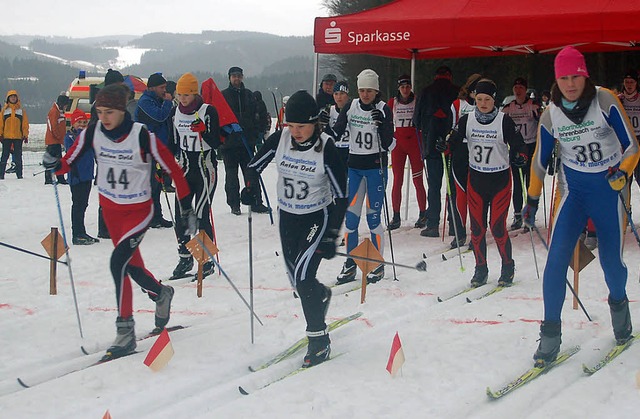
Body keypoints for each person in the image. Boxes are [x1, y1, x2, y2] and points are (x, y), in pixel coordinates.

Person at [43, 84, 196, 361]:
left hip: (139, 211)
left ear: (122, 110)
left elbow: (173, 168)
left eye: (109, 112)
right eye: (99, 112)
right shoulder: (93, 132)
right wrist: (54, 164)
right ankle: (161, 292)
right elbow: (70, 160)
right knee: (131, 265)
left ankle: (124, 330)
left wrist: (186, 209)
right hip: (111, 211)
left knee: (118, 263)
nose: (104, 118)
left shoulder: (141, 136)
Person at [522, 46, 640, 365]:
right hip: (574, 193)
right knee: (557, 259)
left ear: (584, 75)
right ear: (556, 80)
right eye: (563, 78)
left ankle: (621, 318)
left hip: (609, 191)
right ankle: (549, 337)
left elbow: (632, 146)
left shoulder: (605, 100)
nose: (570, 84)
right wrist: (532, 199)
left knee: (611, 263)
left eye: (575, 76)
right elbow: (538, 162)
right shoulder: (551, 114)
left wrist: (623, 173)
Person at [243, 90, 347, 368]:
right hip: (288, 217)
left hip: (317, 218)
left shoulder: (328, 148)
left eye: (302, 126)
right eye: (291, 125)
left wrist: (331, 235)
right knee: (299, 283)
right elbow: (254, 165)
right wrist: (250, 187)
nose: (296, 131)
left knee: (302, 277)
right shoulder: (281, 139)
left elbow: (342, 196)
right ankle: (321, 295)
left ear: (315, 123)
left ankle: (319, 339)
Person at [441, 79, 526, 287]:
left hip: (500, 181)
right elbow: (451, 141)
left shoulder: (504, 120)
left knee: (497, 227)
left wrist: (520, 156)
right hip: (477, 180)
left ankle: (507, 267)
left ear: (494, 99)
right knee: (477, 230)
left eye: (487, 99)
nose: (483, 103)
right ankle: (481, 269)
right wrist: (443, 145)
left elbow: (519, 144)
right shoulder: (467, 120)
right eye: (479, 99)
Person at [328, 69, 395, 284]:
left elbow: (389, 143)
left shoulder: (384, 109)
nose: (365, 95)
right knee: (351, 219)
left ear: (376, 91)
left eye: (370, 91)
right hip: (355, 168)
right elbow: (337, 133)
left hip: (376, 168)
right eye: (362, 90)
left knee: (373, 218)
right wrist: (323, 125)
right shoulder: (351, 105)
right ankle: (350, 263)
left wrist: (382, 124)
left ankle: (376, 263)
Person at [168, 73, 221, 280]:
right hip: (185, 170)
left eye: (187, 95)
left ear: (195, 93)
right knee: (181, 215)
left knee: (200, 215)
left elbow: (216, 143)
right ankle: (184, 257)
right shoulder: (174, 113)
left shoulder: (207, 111)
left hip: (205, 169)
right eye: (180, 95)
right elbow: (172, 144)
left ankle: (205, 260)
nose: (183, 99)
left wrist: (204, 132)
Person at [414, 65, 459, 237]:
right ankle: (454, 223)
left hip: (431, 145)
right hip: (451, 145)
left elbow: (416, 120)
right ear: (450, 76)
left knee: (434, 186)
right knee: (452, 186)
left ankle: (433, 224)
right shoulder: (456, 91)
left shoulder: (425, 92)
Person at [221, 66, 269, 215]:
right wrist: (226, 131)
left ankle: (256, 201)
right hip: (229, 144)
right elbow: (219, 119)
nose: (236, 79)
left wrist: (256, 134)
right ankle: (234, 204)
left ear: (242, 77)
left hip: (246, 142)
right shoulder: (224, 95)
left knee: (251, 173)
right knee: (231, 177)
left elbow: (258, 115)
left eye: (239, 76)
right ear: (229, 78)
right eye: (233, 76)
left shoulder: (249, 95)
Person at [386, 74, 427, 230]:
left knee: (418, 180)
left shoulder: (417, 100)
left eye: (407, 86)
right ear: (398, 88)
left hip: (415, 143)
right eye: (402, 87)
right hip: (398, 144)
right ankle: (396, 216)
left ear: (411, 87)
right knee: (397, 181)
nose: (405, 89)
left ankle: (423, 213)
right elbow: (387, 122)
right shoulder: (393, 102)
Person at [448, 73, 483, 249]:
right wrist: (445, 145)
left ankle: (477, 232)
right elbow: (449, 130)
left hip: (478, 152)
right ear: (469, 89)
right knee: (460, 194)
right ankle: (459, 233)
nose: (478, 94)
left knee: (477, 195)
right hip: (460, 152)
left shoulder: (484, 105)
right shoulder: (457, 105)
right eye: (475, 89)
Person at [135, 72, 174, 229]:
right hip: (148, 150)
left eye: (165, 87)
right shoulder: (146, 102)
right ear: (152, 88)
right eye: (161, 87)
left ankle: (157, 215)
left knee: (157, 184)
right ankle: (151, 216)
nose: (164, 90)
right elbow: (159, 117)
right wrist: (167, 103)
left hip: (159, 148)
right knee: (151, 184)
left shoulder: (157, 100)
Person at [502, 77, 540, 230]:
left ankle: (530, 215)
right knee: (517, 184)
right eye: (516, 88)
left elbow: (542, 121)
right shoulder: (508, 107)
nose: (518, 91)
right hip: (516, 148)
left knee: (530, 184)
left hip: (530, 146)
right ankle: (517, 215)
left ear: (526, 90)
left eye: (521, 88)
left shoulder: (532, 105)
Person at [95, 69, 126, 239]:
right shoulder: (101, 103)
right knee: (108, 190)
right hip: (106, 153)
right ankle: (104, 227)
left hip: (117, 152)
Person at [64, 109, 98, 245]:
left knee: (84, 204)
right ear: (73, 124)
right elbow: (75, 150)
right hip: (76, 176)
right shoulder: (70, 137)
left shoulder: (88, 137)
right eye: (80, 122)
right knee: (77, 205)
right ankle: (76, 233)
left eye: (85, 122)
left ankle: (82, 231)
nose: (83, 125)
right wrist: (81, 133)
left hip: (87, 175)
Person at [320, 80, 350, 166]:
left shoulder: (352, 109)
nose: (339, 97)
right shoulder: (330, 110)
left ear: (347, 95)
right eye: (336, 94)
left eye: (342, 93)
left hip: (350, 151)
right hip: (335, 150)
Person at [0, 90, 29, 180]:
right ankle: (1, 175)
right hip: (6, 137)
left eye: (14, 96)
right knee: (4, 156)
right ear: (8, 98)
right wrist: (0, 134)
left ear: (17, 98)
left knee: (18, 157)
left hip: (18, 137)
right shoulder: (4, 111)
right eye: (11, 97)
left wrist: (25, 135)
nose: (13, 98)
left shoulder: (21, 111)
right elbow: (1, 124)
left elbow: (25, 124)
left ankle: (19, 175)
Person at [618, 69, 640, 189]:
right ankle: (626, 207)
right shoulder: (618, 99)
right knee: (625, 180)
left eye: (632, 82)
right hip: (625, 142)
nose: (629, 85)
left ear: (636, 83)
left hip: (639, 139)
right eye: (627, 82)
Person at [44, 95, 70, 185]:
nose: (67, 107)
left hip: (56, 141)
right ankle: (49, 179)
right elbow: (53, 126)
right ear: (62, 104)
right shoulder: (54, 112)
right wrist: (59, 136)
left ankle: (59, 177)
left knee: (58, 159)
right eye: (66, 104)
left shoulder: (59, 112)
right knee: (52, 159)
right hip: (53, 141)